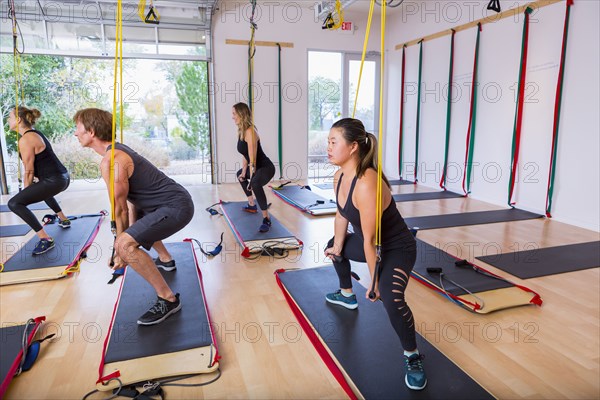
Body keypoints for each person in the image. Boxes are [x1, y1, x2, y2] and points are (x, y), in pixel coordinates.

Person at [323, 118, 427, 390]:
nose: (329, 147)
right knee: (335, 243)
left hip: (397, 247)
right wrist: (336, 247)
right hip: (374, 244)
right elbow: (341, 215)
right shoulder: (339, 176)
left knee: (391, 299)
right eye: (328, 142)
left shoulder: (368, 182)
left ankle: (412, 356)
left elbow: (370, 243)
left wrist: (375, 283)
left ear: (353, 146)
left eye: (334, 142)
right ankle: (346, 294)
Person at [73, 108, 194, 326]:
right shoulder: (116, 152)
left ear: (91, 132)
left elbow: (119, 209)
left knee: (126, 245)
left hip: (175, 207)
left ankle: (168, 299)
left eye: (78, 128)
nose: (75, 133)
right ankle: (166, 259)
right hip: (164, 205)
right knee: (133, 232)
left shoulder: (113, 160)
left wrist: (120, 248)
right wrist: (123, 242)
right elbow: (130, 204)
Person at [7, 106, 71, 255]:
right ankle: (63, 219)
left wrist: (25, 193)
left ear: (18, 120)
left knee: (15, 203)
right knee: (40, 187)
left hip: (55, 180)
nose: (8, 120)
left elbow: (29, 171)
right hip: (63, 177)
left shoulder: (26, 140)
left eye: (9, 117)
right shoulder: (35, 134)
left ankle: (45, 239)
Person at [232, 102, 276, 233]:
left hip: (266, 167)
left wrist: (251, 179)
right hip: (254, 165)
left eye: (234, 114)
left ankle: (266, 218)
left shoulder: (251, 131)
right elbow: (245, 154)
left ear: (241, 114)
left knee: (256, 184)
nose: (232, 117)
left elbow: (253, 158)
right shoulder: (241, 131)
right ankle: (252, 205)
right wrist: (244, 172)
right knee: (240, 175)